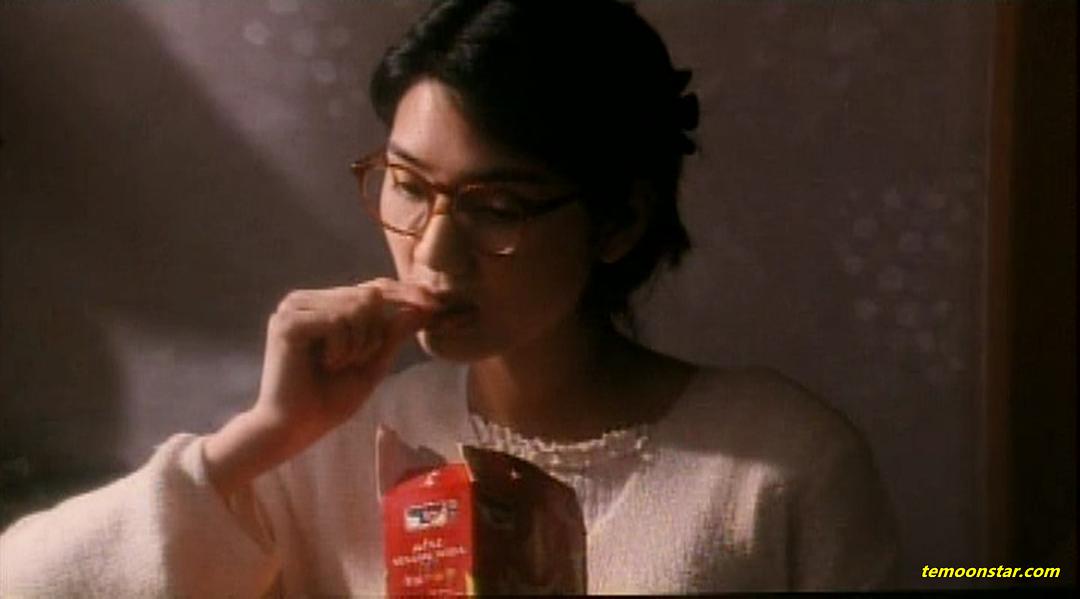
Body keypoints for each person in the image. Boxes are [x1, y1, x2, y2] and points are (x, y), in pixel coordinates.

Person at [0, 0, 898, 594]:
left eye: (496, 207)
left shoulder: (780, 466)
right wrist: (262, 435)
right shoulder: (336, 448)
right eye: (406, 185)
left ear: (620, 220)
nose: (433, 251)